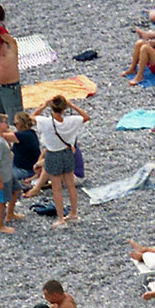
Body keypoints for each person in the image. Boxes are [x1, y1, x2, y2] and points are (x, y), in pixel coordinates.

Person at [40, 94, 88, 226]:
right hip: (67, 152)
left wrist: (44, 105)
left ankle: (60, 218)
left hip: (53, 154)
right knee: (70, 185)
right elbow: (86, 117)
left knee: (57, 188)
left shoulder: (46, 122)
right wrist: (72, 105)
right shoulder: (71, 121)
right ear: (64, 108)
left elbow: (32, 117)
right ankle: (74, 213)